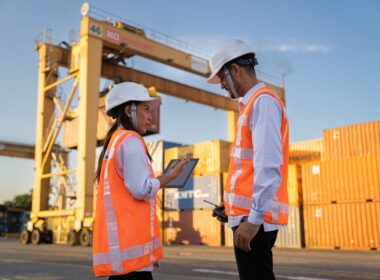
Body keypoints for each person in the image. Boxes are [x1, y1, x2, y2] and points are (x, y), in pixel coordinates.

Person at [208, 39, 289, 280]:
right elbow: (248, 170)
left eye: (222, 78)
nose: (221, 85)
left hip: (254, 222)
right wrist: (230, 208)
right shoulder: (251, 106)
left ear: (235, 70)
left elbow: (269, 167)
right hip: (247, 216)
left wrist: (253, 220)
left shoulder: (262, 103)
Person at [92, 82, 188, 280]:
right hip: (133, 261)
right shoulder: (130, 140)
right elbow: (141, 189)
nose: (151, 116)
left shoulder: (114, 142)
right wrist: (170, 175)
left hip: (123, 254)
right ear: (129, 110)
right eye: (146, 109)